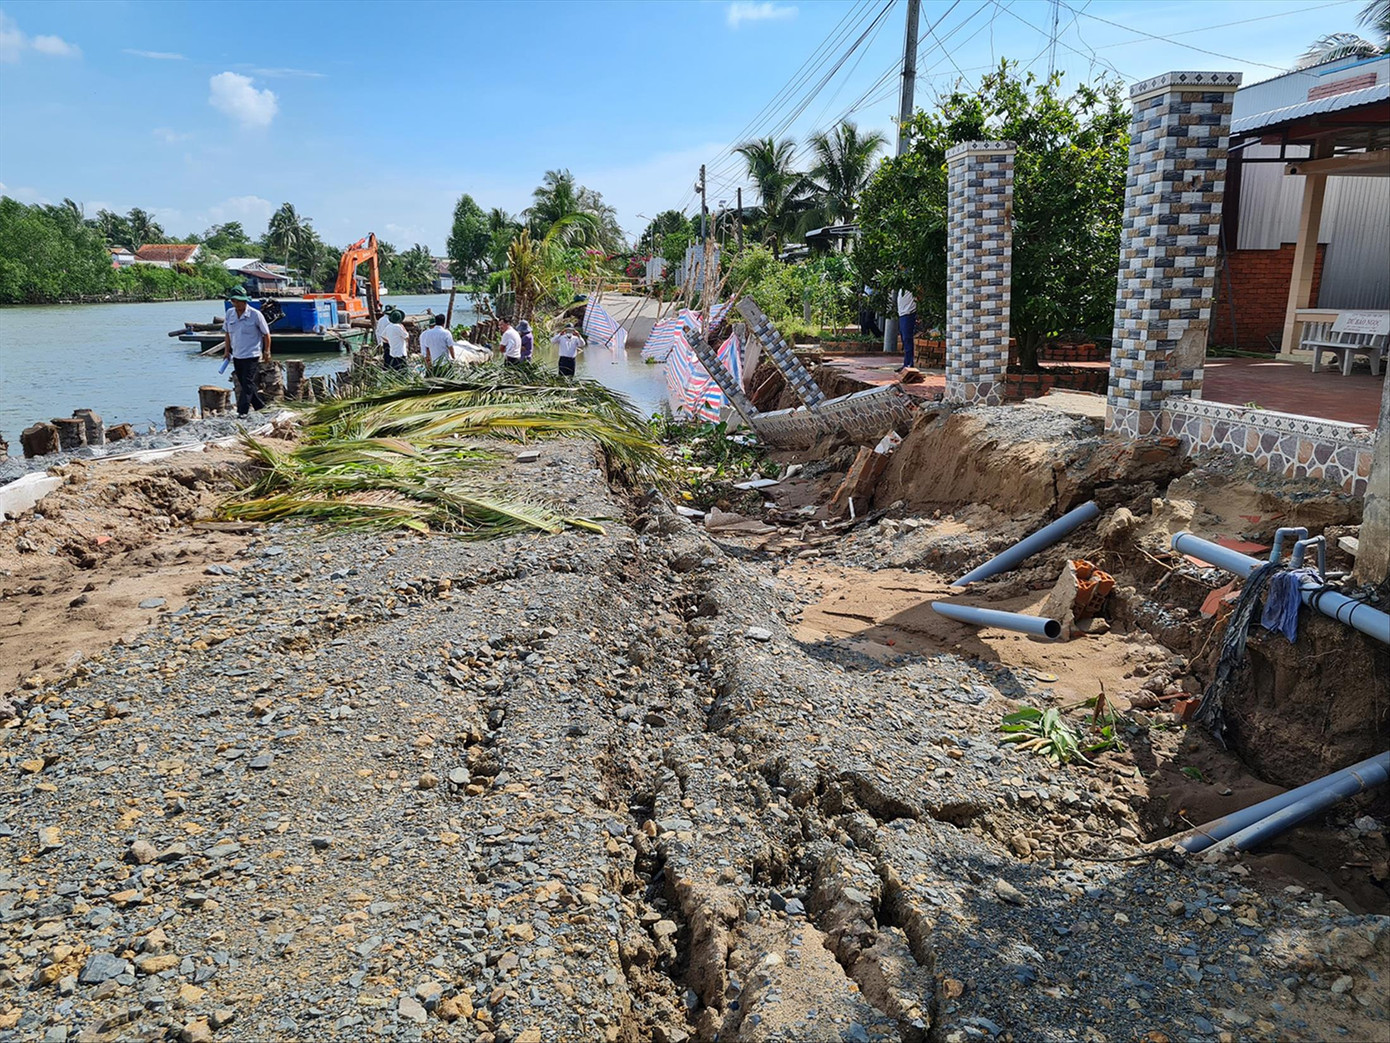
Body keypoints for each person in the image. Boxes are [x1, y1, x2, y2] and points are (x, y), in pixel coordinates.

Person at [222, 291, 271, 416]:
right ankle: (260, 407)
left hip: (252, 354)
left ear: (245, 301)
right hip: (237, 355)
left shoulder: (255, 315)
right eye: (234, 301)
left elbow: (266, 334)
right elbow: (227, 333)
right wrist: (227, 351)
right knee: (245, 383)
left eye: (239, 301)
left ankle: (242, 411)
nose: (236, 304)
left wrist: (267, 351)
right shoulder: (230, 314)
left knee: (248, 382)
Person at [896, 286, 917, 371]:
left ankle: (909, 364)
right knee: (904, 340)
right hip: (902, 314)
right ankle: (906, 363)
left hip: (908, 313)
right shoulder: (901, 287)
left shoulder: (911, 284)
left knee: (907, 339)